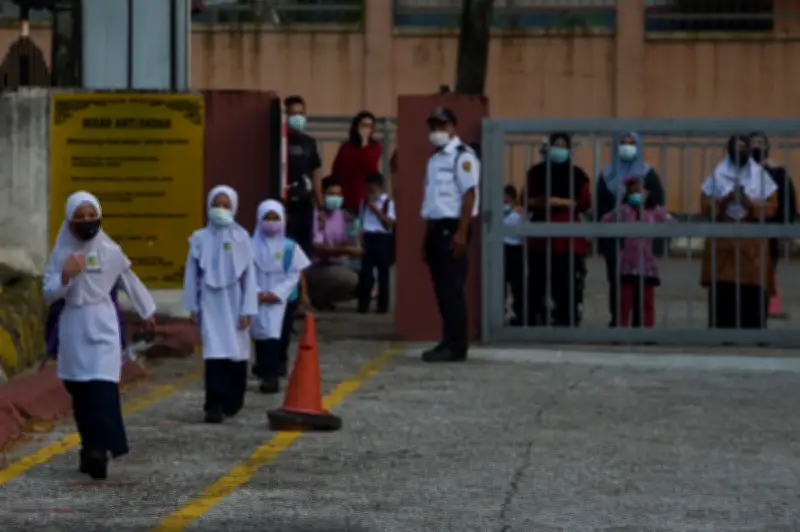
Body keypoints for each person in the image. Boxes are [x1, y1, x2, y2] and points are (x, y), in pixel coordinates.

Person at [43, 191, 156, 480]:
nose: (86, 221)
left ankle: (104, 448)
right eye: (79, 217)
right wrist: (66, 276)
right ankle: (90, 447)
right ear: (69, 222)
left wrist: (146, 310)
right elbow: (48, 294)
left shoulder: (110, 250)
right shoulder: (60, 253)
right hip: (74, 326)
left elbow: (129, 279)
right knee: (80, 390)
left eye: (91, 215)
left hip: (103, 324)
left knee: (103, 388)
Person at [182, 185, 259, 424]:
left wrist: (248, 309)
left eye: (226, 205)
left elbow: (249, 276)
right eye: (217, 204)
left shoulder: (242, 237)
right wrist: (192, 306)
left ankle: (232, 401)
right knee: (215, 354)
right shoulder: (199, 238)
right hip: (211, 302)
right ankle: (213, 405)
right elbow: (191, 273)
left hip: (235, 301)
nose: (220, 210)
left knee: (236, 353)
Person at [420, 107, 479, 363]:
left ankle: (457, 345)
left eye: (442, 126)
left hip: (453, 227)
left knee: (452, 288)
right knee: (442, 290)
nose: (437, 132)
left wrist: (462, 233)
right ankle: (447, 340)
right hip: (436, 226)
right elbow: (431, 200)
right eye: (433, 126)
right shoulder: (434, 159)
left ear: (453, 127)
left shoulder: (462, 157)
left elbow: (469, 195)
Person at [700, 135, 778, 329]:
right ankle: (723, 330)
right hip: (724, 240)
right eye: (736, 147)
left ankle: (754, 329)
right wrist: (723, 200)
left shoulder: (760, 175)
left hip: (751, 242)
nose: (739, 151)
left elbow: (772, 206)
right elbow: (704, 204)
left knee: (753, 286)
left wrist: (750, 204)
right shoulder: (717, 174)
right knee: (723, 286)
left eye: (744, 147)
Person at [595, 131, 665, 328]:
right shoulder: (607, 174)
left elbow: (658, 206)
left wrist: (657, 243)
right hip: (615, 240)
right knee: (618, 283)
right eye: (622, 142)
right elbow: (601, 209)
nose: (626, 146)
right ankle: (618, 322)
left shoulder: (648, 173)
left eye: (631, 142)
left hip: (643, 242)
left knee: (643, 285)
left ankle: (642, 325)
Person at [524, 132, 590, 327]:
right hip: (540, 237)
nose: (559, 149)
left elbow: (584, 202)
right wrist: (545, 202)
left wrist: (559, 202)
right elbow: (526, 199)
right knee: (537, 279)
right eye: (556, 145)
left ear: (569, 149)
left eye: (563, 146)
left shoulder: (577, 175)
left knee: (566, 279)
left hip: (567, 237)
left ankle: (566, 318)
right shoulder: (536, 172)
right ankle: (535, 317)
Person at [250, 199, 311, 394]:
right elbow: (244, 271)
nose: (271, 222)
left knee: (276, 335)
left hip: (281, 298)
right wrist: (257, 292)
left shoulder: (289, 247)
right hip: (257, 296)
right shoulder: (249, 246)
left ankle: (272, 375)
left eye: (275, 218)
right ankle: (263, 367)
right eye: (267, 217)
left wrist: (277, 293)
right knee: (260, 333)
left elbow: (295, 273)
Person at [601, 176, 675, 327]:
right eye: (632, 190)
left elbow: (672, 223)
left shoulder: (655, 211)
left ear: (648, 192)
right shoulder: (624, 210)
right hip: (627, 263)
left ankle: (646, 329)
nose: (636, 193)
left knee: (646, 300)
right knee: (624, 300)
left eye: (640, 189)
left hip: (647, 264)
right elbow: (605, 220)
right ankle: (621, 330)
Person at [750, 131, 797, 314]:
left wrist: (786, 226)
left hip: (770, 230)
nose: (756, 146)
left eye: (760, 142)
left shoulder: (777, 171)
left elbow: (788, 200)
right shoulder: (739, 170)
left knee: (767, 271)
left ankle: (763, 311)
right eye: (753, 142)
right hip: (744, 229)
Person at [304, 176, 361, 310]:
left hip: (336, 265)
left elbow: (352, 243)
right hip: (314, 267)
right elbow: (317, 248)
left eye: (338, 194)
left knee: (368, 279)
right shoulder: (317, 216)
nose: (335, 198)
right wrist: (346, 250)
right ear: (322, 195)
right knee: (350, 280)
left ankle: (322, 298)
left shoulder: (344, 216)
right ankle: (313, 295)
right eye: (331, 194)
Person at [284, 95, 324, 256]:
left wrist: (320, 206)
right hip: (286, 204)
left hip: (305, 205)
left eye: (301, 113)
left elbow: (316, 174)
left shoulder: (309, 142)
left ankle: (304, 281)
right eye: (293, 114)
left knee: (304, 251)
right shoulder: (279, 141)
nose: (298, 118)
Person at [356, 172, 395, 314]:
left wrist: (377, 211)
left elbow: (390, 223)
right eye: (367, 190)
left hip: (383, 239)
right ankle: (363, 304)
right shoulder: (364, 203)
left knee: (383, 273)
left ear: (379, 188)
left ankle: (382, 306)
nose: (369, 194)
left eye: (371, 190)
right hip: (368, 237)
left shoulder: (388, 203)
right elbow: (360, 220)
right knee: (366, 273)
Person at [331, 110, 383, 216]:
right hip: (346, 197)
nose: (366, 129)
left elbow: (370, 167)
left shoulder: (375, 147)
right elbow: (336, 170)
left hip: (365, 199)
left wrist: (364, 141)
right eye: (364, 125)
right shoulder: (346, 147)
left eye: (370, 126)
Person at [503, 184, 524, 326]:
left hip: (515, 250)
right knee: (505, 284)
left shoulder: (518, 214)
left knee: (517, 286)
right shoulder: (508, 212)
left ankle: (520, 314)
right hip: (507, 249)